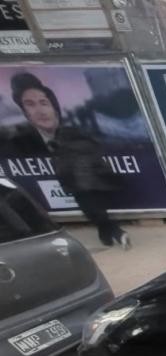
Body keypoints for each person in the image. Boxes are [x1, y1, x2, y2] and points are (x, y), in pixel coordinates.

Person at [10, 72, 130, 249]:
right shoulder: (24, 140)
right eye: (30, 104)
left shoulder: (75, 132)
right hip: (84, 181)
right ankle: (110, 233)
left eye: (44, 103)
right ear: (25, 112)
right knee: (95, 210)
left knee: (93, 208)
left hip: (81, 181)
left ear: (54, 106)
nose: (40, 111)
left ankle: (114, 233)